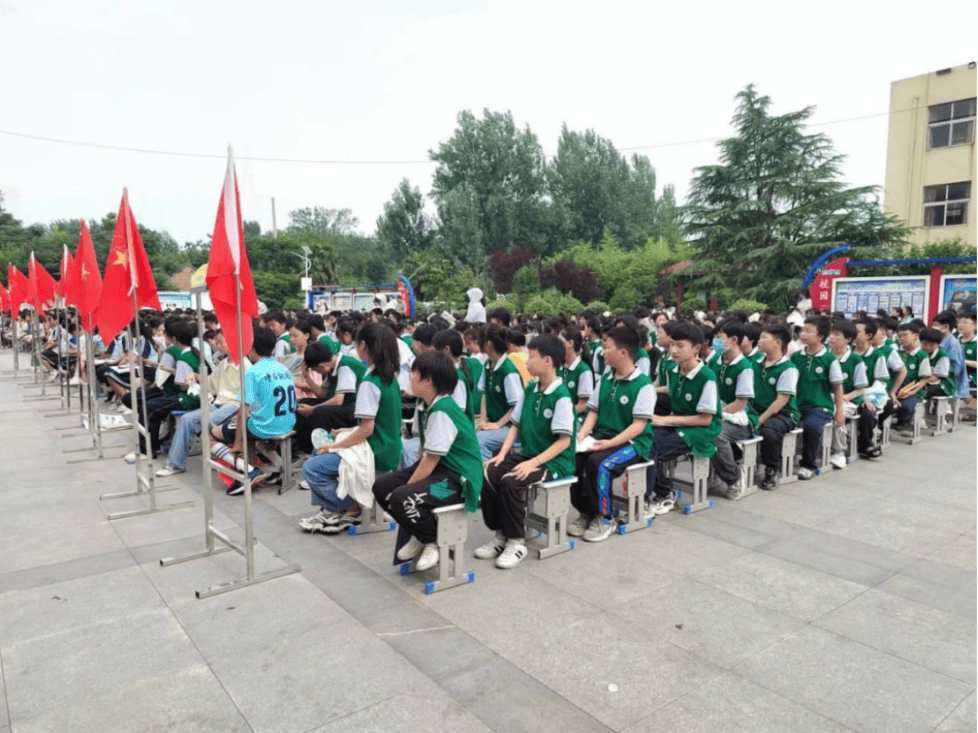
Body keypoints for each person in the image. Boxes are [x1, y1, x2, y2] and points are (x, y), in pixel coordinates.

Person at [373, 351, 483, 571]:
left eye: (413, 373)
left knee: (403, 497)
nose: (409, 377)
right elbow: (425, 455)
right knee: (381, 486)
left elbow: (430, 461)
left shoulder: (443, 411)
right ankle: (420, 534)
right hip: (441, 472)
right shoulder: (428, 406)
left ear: (428, 380)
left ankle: (433, 541)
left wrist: (405, 490)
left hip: (457, 484)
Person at [480, 334, 575, 567]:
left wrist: (533, 463)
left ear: (548, 361)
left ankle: (516, 541)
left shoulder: (561, 396)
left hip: (554, 461)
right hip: (528, 454)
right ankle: (501, 534)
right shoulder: (531, 389)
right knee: (489, 473)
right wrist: (502, 455)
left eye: (531, 357)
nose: (526, 362)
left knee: (511, 481)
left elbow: (563, 441)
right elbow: (516, 424)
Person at [301, 322, 403, 533]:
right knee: (319, 450)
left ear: (363, 345)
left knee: (311, 467)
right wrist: (345, 433)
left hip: (375, 452)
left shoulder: (370, 382)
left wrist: (335, 447)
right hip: (389, 448)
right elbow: (377, 424)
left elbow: (367, 430)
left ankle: (347, 507)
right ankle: (332, 508)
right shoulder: (389, 377)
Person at [570, 326, 655, 542]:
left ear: (623, 353)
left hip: (633, 442)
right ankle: (585, 512)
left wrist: (609, 444)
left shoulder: (643, 385)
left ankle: (605, 518)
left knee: (600, 464)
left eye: (607, 348)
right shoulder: (606, 379)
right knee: (574, 458)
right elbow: (593, 412)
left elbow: (638, 426)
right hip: (603, 436)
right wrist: (581, 436)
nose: (602, 352)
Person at [211, 326, 296, 495]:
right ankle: (280, 466)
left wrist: (237, 443)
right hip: (288, 422)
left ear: (251, 347)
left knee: (211, 435)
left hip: (265, 425)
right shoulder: (283, 369)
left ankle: (248, 471)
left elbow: (243, 411)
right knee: (252, 431)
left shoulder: (253, 372)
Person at [648, 322, 722, 512]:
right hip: (678, 423)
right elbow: (672, 391)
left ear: (696, 348)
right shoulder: (674, 371)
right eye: (672, 344)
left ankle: (665, 493)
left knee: (656, 450)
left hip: (700, 429)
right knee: (645, 442)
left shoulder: (707, 377)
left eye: (680, 346)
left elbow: (705, 419)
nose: (674, 350)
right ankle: (660, 491)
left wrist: (664, 420)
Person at [156, 330, 248, 477]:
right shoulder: (224, 363)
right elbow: (210, 383)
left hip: (234, 405)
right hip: (219, 403)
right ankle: (175, 463)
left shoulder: (244, 366)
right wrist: (195, 376)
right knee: (187, 419)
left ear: (233, 344)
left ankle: (221, 456)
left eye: (220, 342)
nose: (217, 345)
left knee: (207, 420)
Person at [790, 316, 844, 480]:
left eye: (808, 331)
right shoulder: (796, 357)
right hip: (796, 405)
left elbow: (838, 386)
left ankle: (808, 465)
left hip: (819, 407)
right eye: (802, 330)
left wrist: (839, 410)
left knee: (812, 427)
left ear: (820, 336)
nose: (803, 334)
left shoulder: (829, 359)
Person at [709, 319, 755, 499]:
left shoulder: (745, 368)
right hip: (716, 413)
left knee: (715, 433)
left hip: (740, 420)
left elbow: (740, 404)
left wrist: (715, 415)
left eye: (719, 338)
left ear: (734, 340)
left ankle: (734, 477)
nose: (715, 342)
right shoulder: (714, 360)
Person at [750, 324, 800, 490]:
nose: (760, 340)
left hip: (783, 414)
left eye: (764, 337)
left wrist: (758, 420)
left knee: (769, 432)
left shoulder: (788, 369)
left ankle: (771, 468)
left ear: (777, 343)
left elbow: (781, 401)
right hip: (756, 409)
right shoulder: (755, 363)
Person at [827, 320, 872, 468]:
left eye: (837, 335)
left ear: (848, 339)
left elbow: (860, 388)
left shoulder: (855, 360)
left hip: (849, 401)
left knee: (837, 414)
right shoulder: (826, 356)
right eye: (832, 334)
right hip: (826, 398)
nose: (832, 337)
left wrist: (845, 397)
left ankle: (839, 452)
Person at [476, 325, 524, 460]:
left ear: (488, 345)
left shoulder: (508, 370)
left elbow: (517, 406)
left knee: (479, 441)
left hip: (510, 426)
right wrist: (482, 420)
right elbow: (484, 394)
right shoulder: (487, 364)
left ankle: (485, 475)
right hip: (494, 423)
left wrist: (497, 425)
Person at [893, 321, 932, 430]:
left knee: (906, 405)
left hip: (914, 389)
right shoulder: (897, 353)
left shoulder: (922, 355)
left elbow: (924, 379)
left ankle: (904, 422)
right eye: (899, 336)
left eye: (905, 335)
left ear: (915, 336)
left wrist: (911, 391)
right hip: (896, 387)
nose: (902, 338)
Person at [932, 310, 970, 404]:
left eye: (936, 325)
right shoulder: (940, 341)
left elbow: (956, 367)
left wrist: (941, 378)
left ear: (946, 327)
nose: (933, 327)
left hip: (949, 384)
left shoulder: (953, 343)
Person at [558, 326, 594, 417]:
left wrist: (564, 416)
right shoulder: (559, 367)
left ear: (570, 343)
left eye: (560, 342)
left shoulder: (583, 370)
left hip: (576, 419)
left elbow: (583, 405)